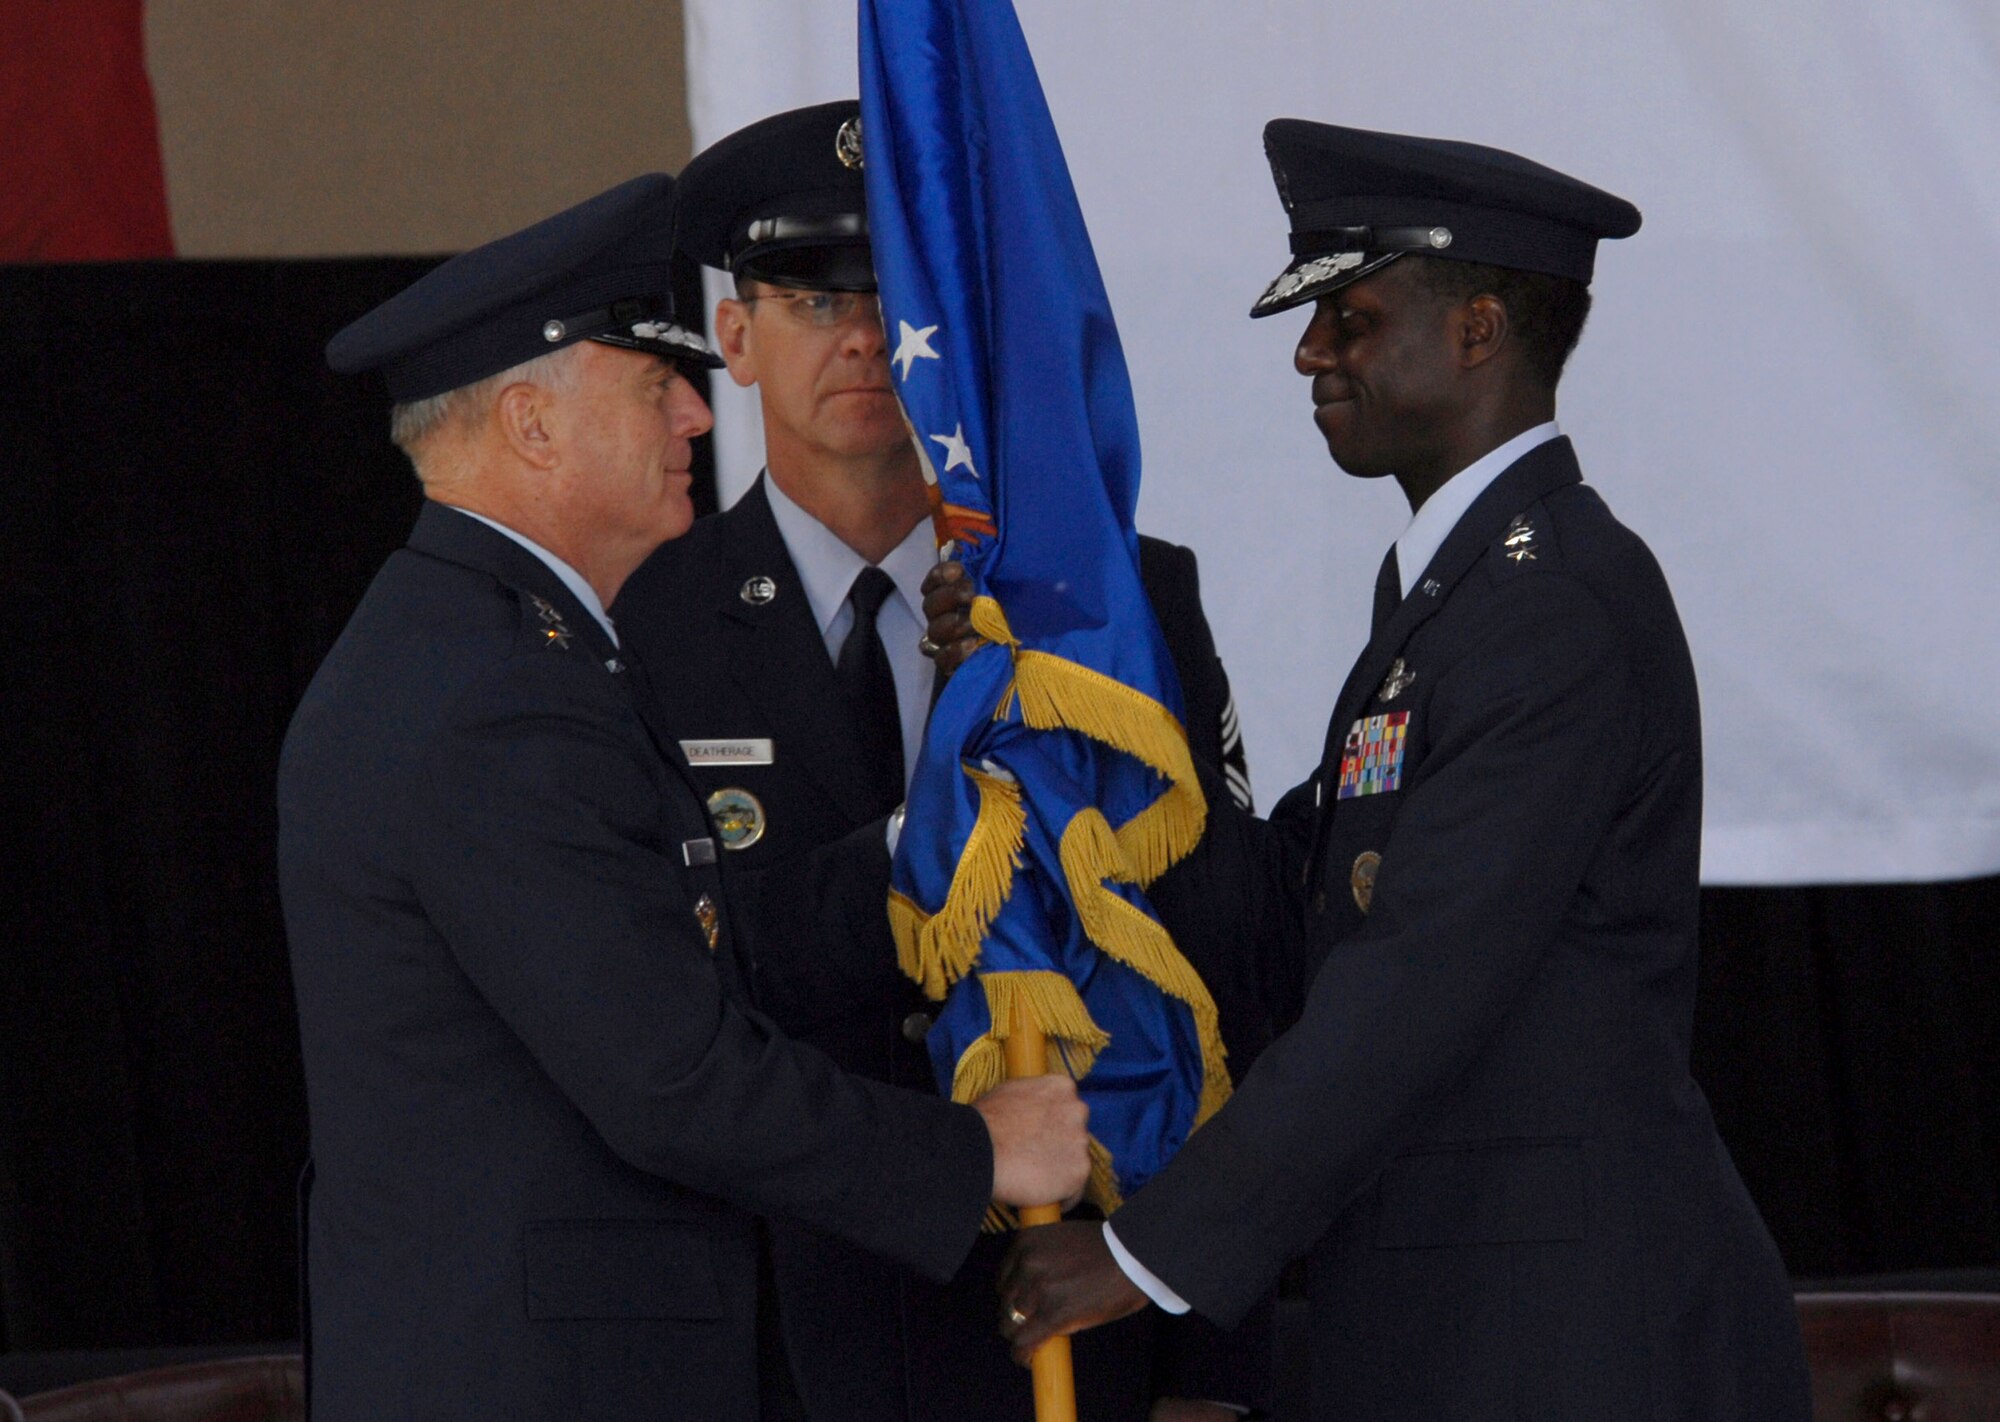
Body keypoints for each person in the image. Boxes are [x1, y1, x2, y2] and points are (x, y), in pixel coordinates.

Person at [947, 122, 1814, 1420]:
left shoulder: (1552, 602)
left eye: (1349, 317)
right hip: (1467, 1317)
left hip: (1572, 1337)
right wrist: (1073, 704)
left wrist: (1142, 1248)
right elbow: (1293, 901)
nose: (1309, 352)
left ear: (1476, 330)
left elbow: (1411, 980)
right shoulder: (1447, 597)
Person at [278, 172, 1091, 1422]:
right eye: (653, 386)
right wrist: (979, 1150)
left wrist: (917, 853)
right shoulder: (496, 693)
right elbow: (671, 1078)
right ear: (531, 425)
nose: (695, 420)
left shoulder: (497, 648)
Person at [612, 103, 1271, 1422]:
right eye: (810, 298)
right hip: (783, 1329)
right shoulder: (643, 622)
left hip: (1072, 1306)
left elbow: (1221, 962)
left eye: (898, 295)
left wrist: (1201, 1346)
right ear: (734, 337)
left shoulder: (1111, 610)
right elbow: (658, 985)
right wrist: (945, 832)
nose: (864, 336)